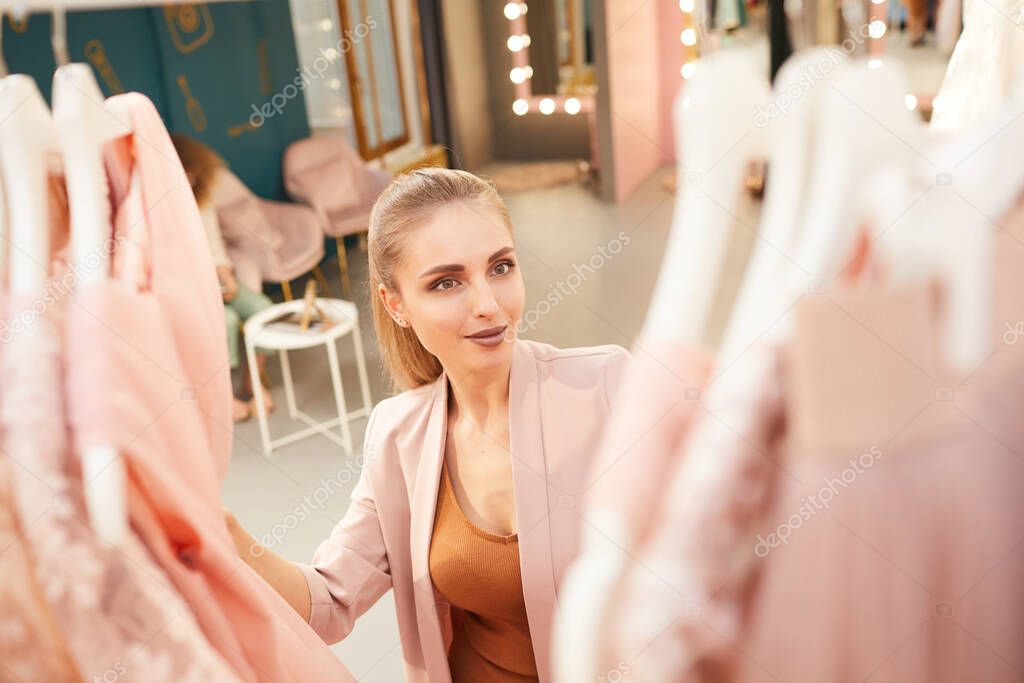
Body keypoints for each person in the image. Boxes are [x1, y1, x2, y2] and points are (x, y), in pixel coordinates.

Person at [225, 168, 630, 682]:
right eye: (446, 282)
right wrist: (225, 536)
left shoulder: (607, 388)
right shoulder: (398, 435)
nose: (488, 305)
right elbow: (328, 604)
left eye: (501, 267)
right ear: (395, 305)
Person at [171, 134, 275, 422]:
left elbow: (216, 251)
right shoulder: (161, 215)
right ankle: (223, 398)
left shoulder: (202, 203)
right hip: (190, 292)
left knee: (262, 309)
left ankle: (253, 380)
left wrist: (227, 277)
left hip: (216, 282)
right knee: (226, 322)